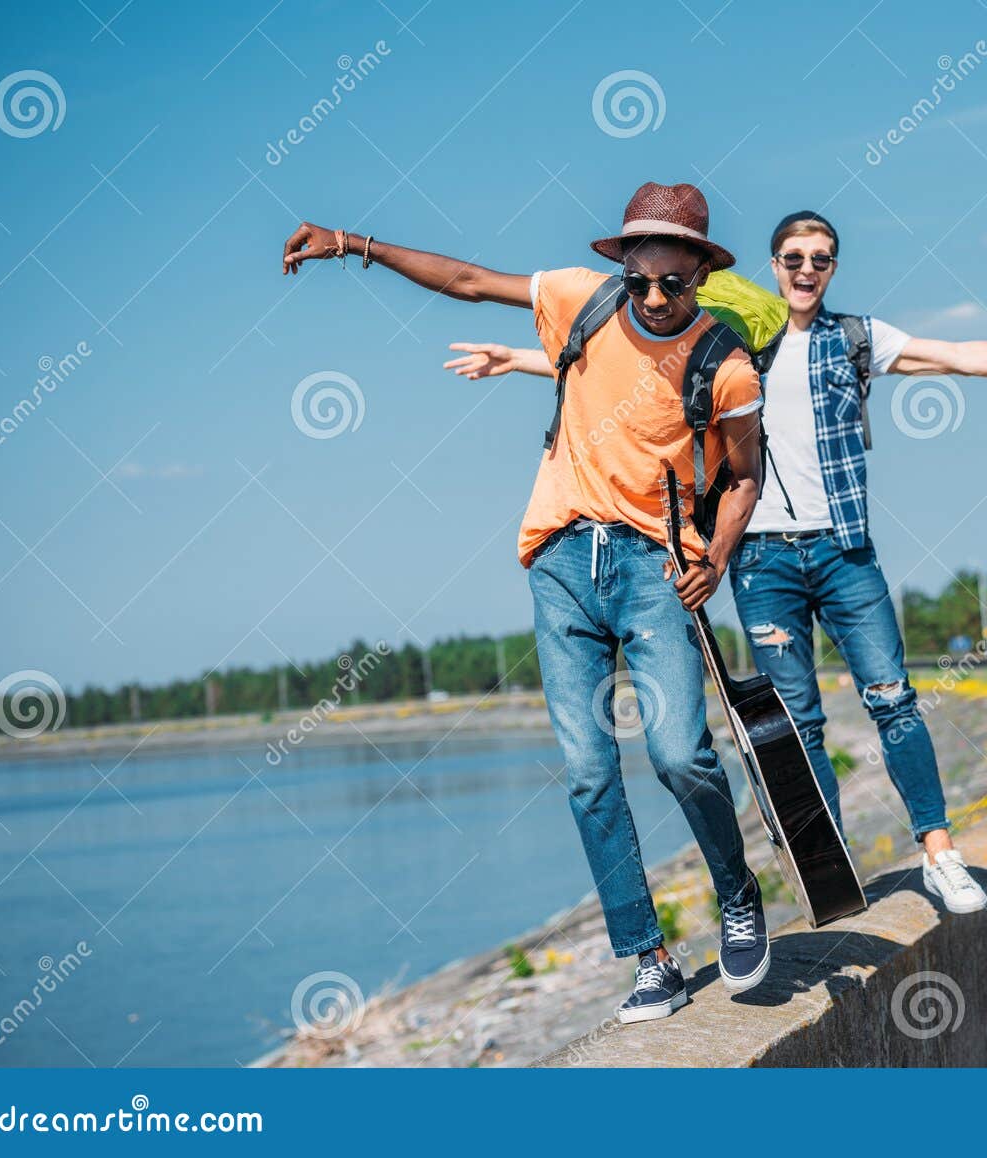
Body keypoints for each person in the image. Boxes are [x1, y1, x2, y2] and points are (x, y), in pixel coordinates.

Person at [444, 209, 987, 918]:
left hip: (845, 548)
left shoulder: (854, 340)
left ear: (833, 268)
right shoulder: (732, 348)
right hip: (762, 560)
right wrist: (515, 359)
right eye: (793, 256)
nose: (806, 269)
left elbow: (959, 356)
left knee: (892, 698)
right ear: (772, 264)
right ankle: (835, 870)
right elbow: (623, 375)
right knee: (798, 723)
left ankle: (940, 854)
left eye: (821, 258)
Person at [281, 182, 772, 1024]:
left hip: (659, 564)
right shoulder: (584, 300)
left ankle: (737, 892)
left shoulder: (723, 364)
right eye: (642, 279)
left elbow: (746, 476)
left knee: (680, 754)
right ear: (622, 265)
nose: (655, 298)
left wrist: (718, 556)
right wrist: (353, 242)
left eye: (674, 283)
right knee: (587, 772)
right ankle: (649, 956)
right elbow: (469, 280)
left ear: (700, 272)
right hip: (558, 562)